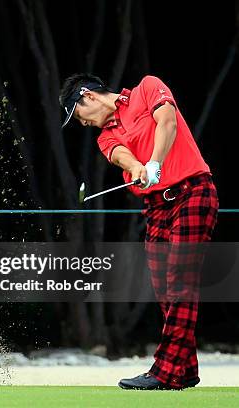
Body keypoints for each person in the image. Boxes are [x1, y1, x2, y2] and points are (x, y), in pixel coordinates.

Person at [59, 74, 218, 390]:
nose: (83, 123)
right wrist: (138, 168)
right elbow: (123, 156)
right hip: (157, 207)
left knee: (180, 282)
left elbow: (168, 123)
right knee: (164, 289)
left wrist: (155, 162)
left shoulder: (147, 88)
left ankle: (164, 371)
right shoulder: (104, 137)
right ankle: (185, 370)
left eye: (78, 116)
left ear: (88, 95)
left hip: (193, 193)